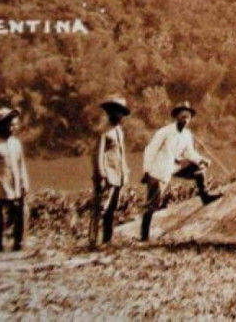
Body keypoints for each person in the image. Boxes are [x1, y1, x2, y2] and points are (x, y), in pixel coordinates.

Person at [140, 103, 222, 242]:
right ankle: (144, 236)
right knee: (153, 203)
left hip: (175, 166)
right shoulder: (164, 132)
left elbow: (189, 152)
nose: (185, 120)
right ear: (176, 117)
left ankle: (205, 195)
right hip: (159, 169)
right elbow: (150, 150)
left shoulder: (187, 134)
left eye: (188, 117)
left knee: (198, 169)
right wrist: (147, 171)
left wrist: (202, 159)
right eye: (182, 116)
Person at [89, 96, 131, 248]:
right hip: (107, 173)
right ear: (110, 112)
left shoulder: (119, 130)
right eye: (116, 111)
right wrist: (101, 174)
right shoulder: (103, 131)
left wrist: (125, 171)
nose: (119, 115)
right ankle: (93, 240)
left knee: (112, 209)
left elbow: (121, 153)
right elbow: (97, 154)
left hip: (118, 173)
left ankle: (107, 240)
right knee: (100, 208)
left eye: (121, 112)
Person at [0, 106, 28, 252]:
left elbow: (21, 164)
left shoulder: (16, 143)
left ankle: (18, 241)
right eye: (7, 124)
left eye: (12, 124)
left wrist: (24, 182)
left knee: (18, 211)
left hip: (14, 182)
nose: (11, 127)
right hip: (0, 182)